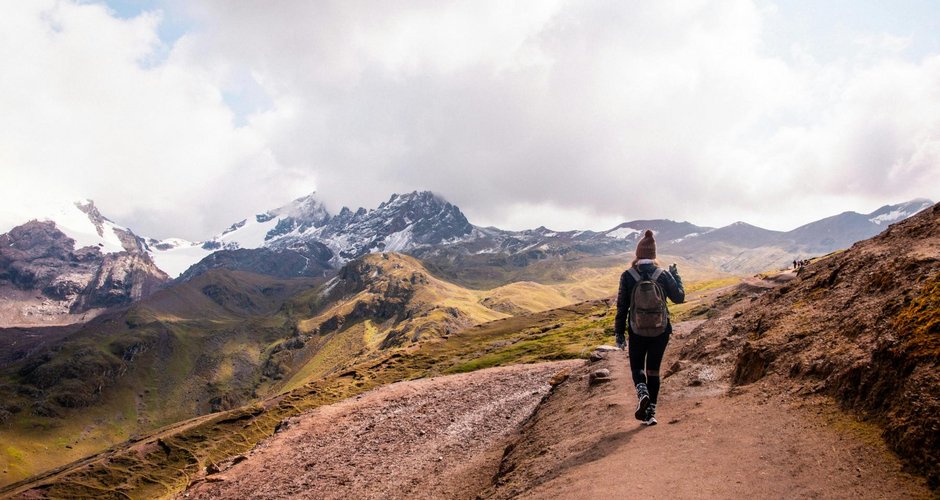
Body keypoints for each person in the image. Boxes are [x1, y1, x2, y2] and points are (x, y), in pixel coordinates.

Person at [614, 230, 685, 426]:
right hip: (660, 331)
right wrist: (675, 276)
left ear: (638, 254)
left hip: (636, 331)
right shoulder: (662, 274)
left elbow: (622, 306)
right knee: (653, 371)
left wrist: (619, 333)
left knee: (637, 368)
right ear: (653, 254)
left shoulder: (627, 275)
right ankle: (650, 413)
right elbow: (679, 298)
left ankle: (642, 391)